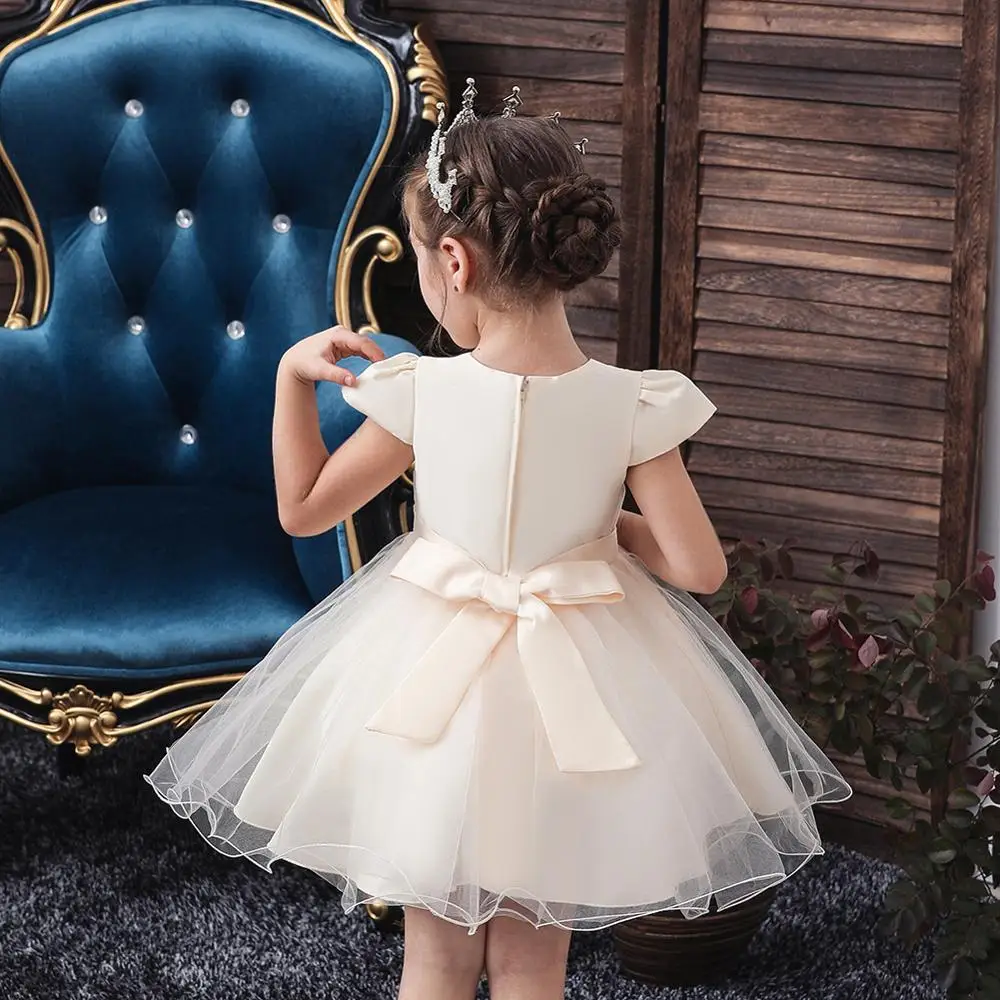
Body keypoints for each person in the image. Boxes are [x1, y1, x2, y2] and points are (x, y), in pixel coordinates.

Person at [145, 80, 852, 1000]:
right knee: (532, 961)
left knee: (435, 958)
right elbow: (698, 567)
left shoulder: (420, 393)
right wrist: (595, 524)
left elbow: (305, 507)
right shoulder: (635, 404)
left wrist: (290, 378)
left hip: (430, 679)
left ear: (454, 259)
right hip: (583, 688)